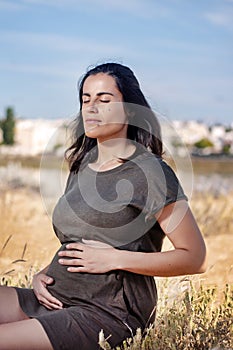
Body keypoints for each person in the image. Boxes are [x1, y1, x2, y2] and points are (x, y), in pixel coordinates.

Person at [0, 62, 207, 350]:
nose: (91, 107)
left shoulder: (152, 174)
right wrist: (43, 275)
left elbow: (195, 258)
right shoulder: (82, 165)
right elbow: (80, 242)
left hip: (105, 314)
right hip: (54, 296)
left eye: (104, 100)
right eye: (86, 99)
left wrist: (115, 259)